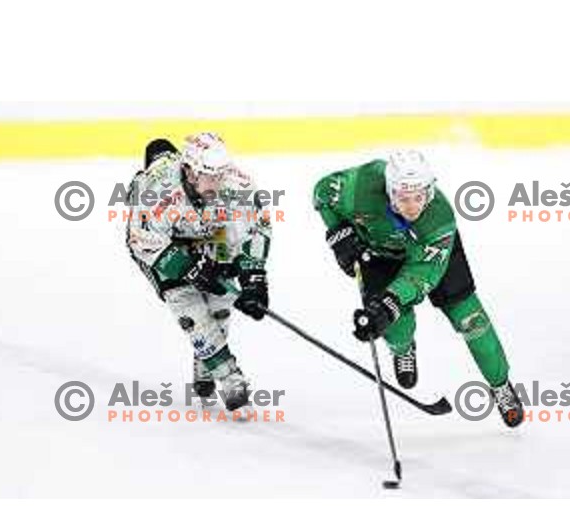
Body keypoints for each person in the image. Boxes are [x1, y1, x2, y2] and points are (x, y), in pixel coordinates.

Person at [313, 150, 523, 427]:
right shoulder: (359, 187)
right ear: (390, 191)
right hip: (377, 253)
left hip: (430, 257)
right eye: (402, 197)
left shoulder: (440, 219)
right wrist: (338, 233)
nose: (412, 206)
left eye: (418, 197)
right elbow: (321, 193)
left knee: (471, 319)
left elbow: (422, 275)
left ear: (430, 190)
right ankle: (403, 349)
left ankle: (500, 385)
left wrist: (388, 303)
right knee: (394, 325)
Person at [127, 134, 272, 411]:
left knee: (219, 304)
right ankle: (230, 378)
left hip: (207, 230)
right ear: (190, 172)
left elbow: (256, 229)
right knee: (190, 310)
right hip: (161, 244)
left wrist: (253, 279)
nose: (218, 182)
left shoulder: (236, 183)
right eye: (210, 175)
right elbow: (141, 241)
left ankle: (206, 356)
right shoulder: (156, 193)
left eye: (221, 174)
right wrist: (188, 267)